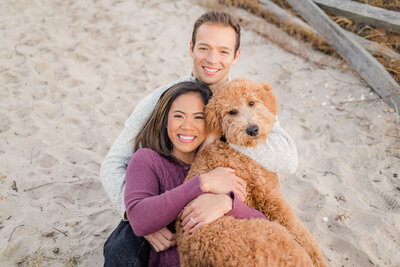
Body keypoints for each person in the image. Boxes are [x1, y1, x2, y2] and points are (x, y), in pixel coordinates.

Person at [101, 10, 298, 266]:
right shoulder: (165, 98)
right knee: (121, 251)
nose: (213, 59)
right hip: (162, 195)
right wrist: (137, 218)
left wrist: (230, 134)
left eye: (224, 51)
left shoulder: (246, 100)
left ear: (236, 56)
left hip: (225, 200)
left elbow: (288, 159)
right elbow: (113, 163)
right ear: (192, 48)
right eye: (204, 48)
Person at [124, 81, 267, 266]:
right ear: (165, 120)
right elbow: (139, 219)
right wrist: (202, 183)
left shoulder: (224, 165)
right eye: (178, 116)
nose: (187, 126)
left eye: (198, 117)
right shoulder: (148, 160)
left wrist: (227, 203)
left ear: (210, 123)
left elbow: (265, 222)